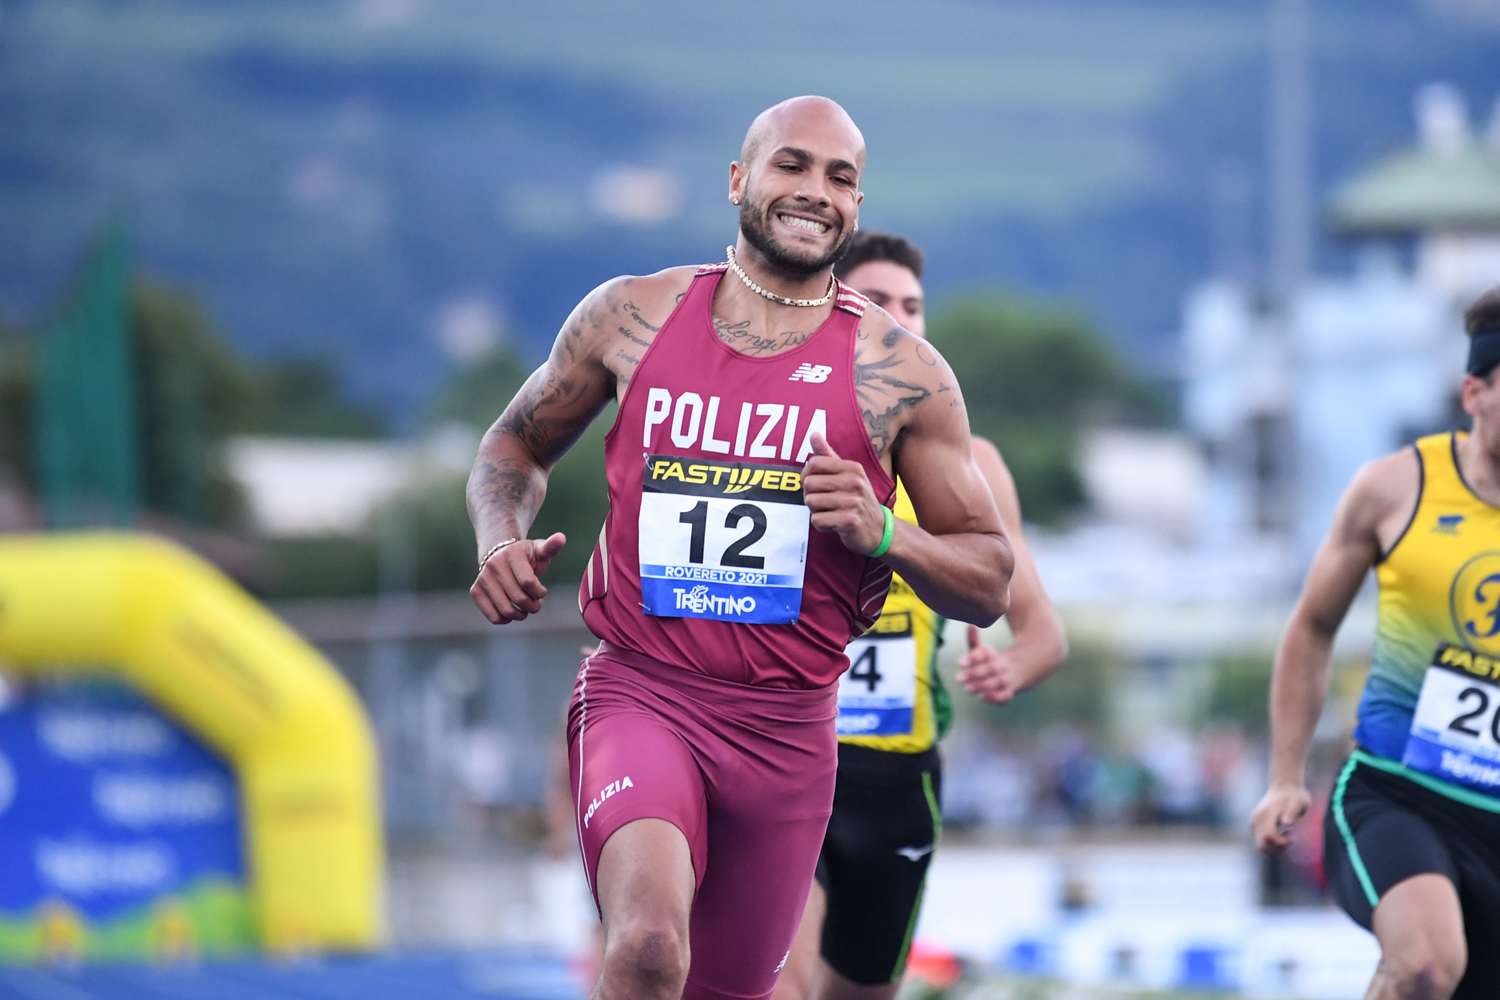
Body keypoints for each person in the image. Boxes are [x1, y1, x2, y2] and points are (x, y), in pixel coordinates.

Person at [467, 96, 1014, 1000]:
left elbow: (989, 578)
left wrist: (884, 530)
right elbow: (512, 448)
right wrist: (500, 542)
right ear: (738, 179)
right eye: (791, 164)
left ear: (858, 203)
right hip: (642, 691)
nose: (815, 191)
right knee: (647, 948)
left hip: (788, 730)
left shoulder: (902, 374)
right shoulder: (632, 315)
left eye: (840, 177)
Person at [770, 232, 1068, 1000]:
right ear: (833, 310)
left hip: (897, 780)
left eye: (913, 305)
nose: (899, 320)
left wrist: (1008, 668)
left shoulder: (971, 468)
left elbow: (1042, 634)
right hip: (787, 755)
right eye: (877, 302)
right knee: (783, 986)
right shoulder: (776, 434)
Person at [1251, 286, 1500, 1000]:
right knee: (1424, 967)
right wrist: (1286, 776)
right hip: (1398, 795)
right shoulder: (1397, 489)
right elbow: (1312, 626)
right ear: (1475, 393)